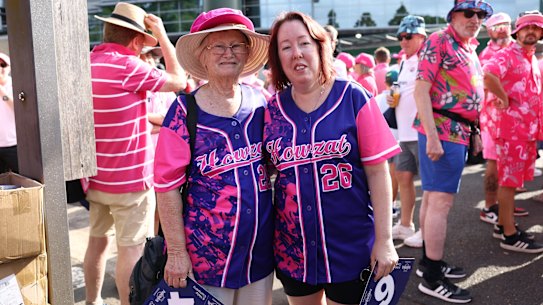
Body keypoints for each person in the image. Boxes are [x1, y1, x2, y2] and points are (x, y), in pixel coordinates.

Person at [266, 11, 399, 305]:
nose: (296, 53)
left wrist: (385, 239)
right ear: (277, 58)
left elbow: (379, 173)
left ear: (320, 47)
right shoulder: (271, 111)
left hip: (350, 247)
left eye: (304, 43)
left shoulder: (353, 97)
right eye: (286, 47)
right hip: (293, 249)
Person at [153, 8, 274, 305]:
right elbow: (166, 187)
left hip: (258, 255)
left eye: (236, 46)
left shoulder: (262, 102)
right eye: (218, 46)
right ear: (203, 56)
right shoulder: (184, 111)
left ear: (246, 55)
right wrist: (178, 253)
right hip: (205, 259)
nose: (228, 53)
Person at [84, 3, 186, 305]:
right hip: (130, 180)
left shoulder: (87, 64)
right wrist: (164, 36)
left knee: (97, 243)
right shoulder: (129, 67)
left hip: (94, 177)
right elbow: (179, 82)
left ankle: (92, 301)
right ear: (136, 40)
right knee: (130, 251)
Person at [413, 0, 493, 303]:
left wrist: (475, 130)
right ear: (454, 15)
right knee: (440, 204)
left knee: (434, 199)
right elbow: (421, 89)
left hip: (457, 131)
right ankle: (433, 276)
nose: (475, 19)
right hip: (443, 131)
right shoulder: (440, 40)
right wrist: (433, 137)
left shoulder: (467, 46)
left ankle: (429, 263)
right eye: (469, 13)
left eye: (480, 14)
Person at [482, 10, 543, 254]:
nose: (531, 32)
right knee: (508, 183)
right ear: (517, 31)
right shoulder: (509, 54)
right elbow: (487, 76)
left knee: (512, 181)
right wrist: (503, 96)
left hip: (525, 132)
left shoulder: (531, 58)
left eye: (536, 28)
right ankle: (509, 235)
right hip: (511, 132)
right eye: (526, 27)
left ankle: (502, 224)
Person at [478, 12, 530, 224]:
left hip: (517, 120)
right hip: (493, 119)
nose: (502, 29)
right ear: (488, 30)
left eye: (505, 24)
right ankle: (490, 207)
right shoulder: (486, 55)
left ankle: (505, 205)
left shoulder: (519, 51)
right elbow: (481, 83)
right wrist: (501, 97)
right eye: (497, 25)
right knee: (493, 162)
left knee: (511, 164)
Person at [389, 15, 427, 249]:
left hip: (421, 132)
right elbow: (400, 90)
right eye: (400, 36)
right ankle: (406, 224)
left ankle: (427, 228)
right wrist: (391, 97)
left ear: (422, 36)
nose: (403, 41)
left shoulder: (427, 60)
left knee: (430, 187)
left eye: (408, 36)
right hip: (403, 134)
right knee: (403, 178)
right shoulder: (404, 61)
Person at [375, 70, 400, 212]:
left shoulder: (378, 98)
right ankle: (392, 205)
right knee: (394, 174)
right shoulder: (399, 96)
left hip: (382, 140)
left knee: (384, 175)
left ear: (385, 83)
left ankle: (389, 206)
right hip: (398, 138)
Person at [0, 52, 17, 174]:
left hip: (13, 144)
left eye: (3, 65)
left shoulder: (16, 85)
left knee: (22, 179)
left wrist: (1, 92)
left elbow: (17, 108)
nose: (0, 68)